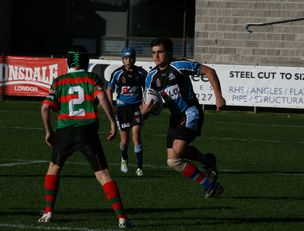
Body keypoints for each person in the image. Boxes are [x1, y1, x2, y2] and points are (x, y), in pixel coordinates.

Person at [38, 47, 132, 229]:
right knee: (102, 173)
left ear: (68, 61)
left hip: (64, 131)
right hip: (87, 130)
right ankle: (122, 218)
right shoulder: (91, 78)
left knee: (53, 169)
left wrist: (49, 131)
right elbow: (103, 96)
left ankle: (48, 212)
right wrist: (112, 122)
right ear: (85, 61)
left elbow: (44, 108)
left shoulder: (58, 81)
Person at [141, 38, 226, 198]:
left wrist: (218, 97)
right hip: (175, 118)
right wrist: (144, 112)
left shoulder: (179, 66)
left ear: (169, 53)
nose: (156, 56)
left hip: (190, 112)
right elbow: (145, 103)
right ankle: (209, 183)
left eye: (160, 52)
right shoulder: (150, 77)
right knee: (173, 161)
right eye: (153, 53)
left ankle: (206, 162)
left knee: (178, 149)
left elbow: (210, 71)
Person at [106, 47, 148, 176]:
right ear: (122, 59)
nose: (128, 60)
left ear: (134, 58)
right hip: (122, 109)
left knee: (136, 136)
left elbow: (147, 90)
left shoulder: (141, 73)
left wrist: (144, 106)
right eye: (126, 58)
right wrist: (110, 104)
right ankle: (124, 159)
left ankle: (139, 167)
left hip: (136, 108)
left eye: (131, 58)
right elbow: (109, 89)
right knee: (124, 141)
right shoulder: (118, 73)